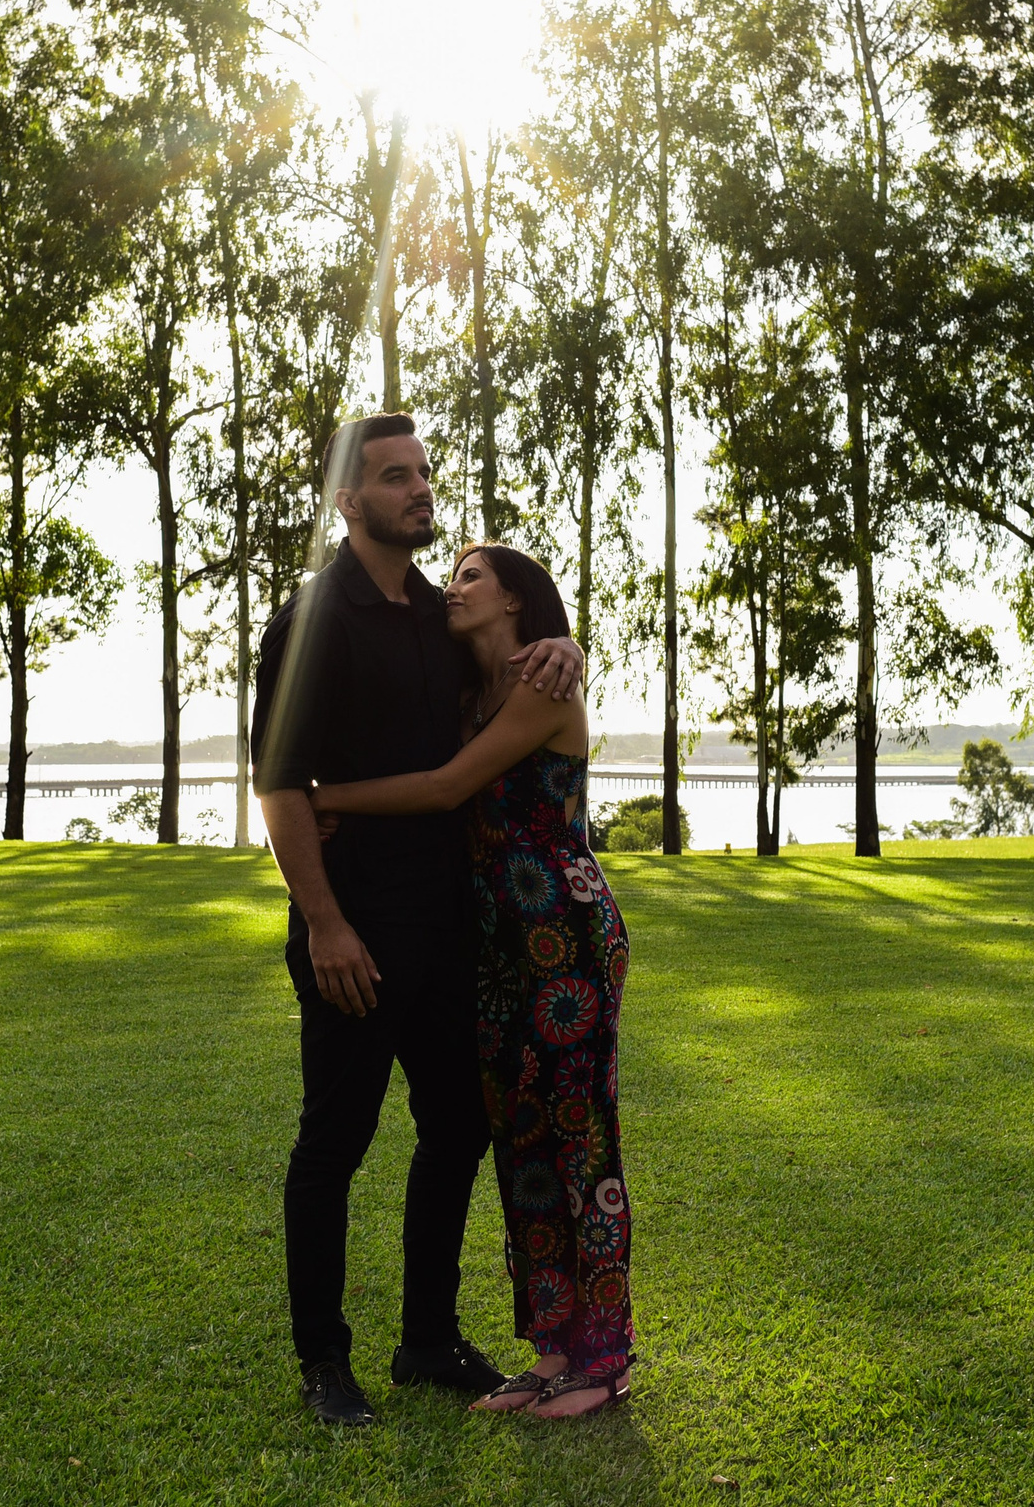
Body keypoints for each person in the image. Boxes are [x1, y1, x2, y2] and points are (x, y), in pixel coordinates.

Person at [251, 414, 583, 1428]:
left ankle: (427, 1338)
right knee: (334, 1143)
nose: (418, 489)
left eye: (424, 472)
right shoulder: (314, 615)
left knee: (456, 1126)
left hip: (448, 929)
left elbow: (506, 658)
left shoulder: (441, 615)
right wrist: (323, 922)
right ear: (347, 501)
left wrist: (562, 642)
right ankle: (322, 1359)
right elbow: (278, 780)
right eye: (394, 477)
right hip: (355, 929)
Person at [312, 542, 636, 1420]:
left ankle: (606, 1361)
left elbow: (450, 786)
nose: (451, 588)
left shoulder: (544, 684)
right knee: (522, 1145)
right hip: (492, 943)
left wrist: (327, 795)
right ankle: (553, 1350)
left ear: (516, 602)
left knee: (580, 1142)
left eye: (469, 576)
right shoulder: (467, 695)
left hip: (564, 937)